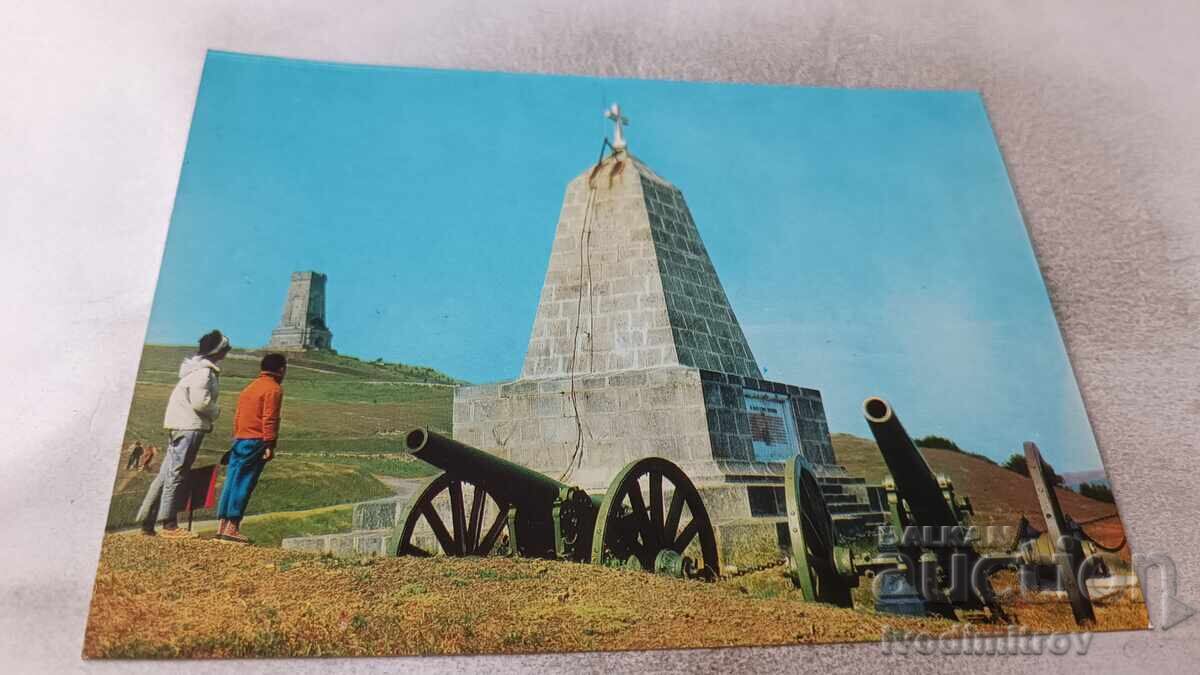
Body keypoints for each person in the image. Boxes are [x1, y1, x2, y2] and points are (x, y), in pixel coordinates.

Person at [136, 330, 231, 538]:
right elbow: (200, 402)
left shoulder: (194, 370)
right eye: (226, 348)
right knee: (177, 473)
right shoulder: (205, 373)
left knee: (165, 474)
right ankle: (169, 524)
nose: (227, 352)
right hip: (190, 426)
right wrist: (217, 411)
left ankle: (147, 522)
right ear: (218, 351)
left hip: (180, 425)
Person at [216, 353, 286, 544]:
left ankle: (222, 527)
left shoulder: (250, 387)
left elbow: (238, 415)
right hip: (256, 441)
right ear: (281, 369)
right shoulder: (273, 389)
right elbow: (269, 418)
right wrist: (270, 443)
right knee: (245, 482)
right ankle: (233, 527)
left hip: (240, 438)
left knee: (232, 481)